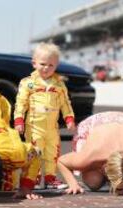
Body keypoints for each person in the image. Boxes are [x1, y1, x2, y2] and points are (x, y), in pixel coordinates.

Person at [13, 42, 76, 189]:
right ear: (34, 63)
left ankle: (50, 178)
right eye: (43, 64)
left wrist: (69, 118)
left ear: (56, 65)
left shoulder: (59, 84)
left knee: (52, 152)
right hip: (34, 126)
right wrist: (19, 120)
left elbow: (65, 103)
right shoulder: (28, 83)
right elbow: (21, 103)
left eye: (51, 65)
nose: (46, 68)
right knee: (35, 152)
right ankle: (31, 179)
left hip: (52, 127)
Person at [57, 111, 123, 196]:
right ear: (104, 168)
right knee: (93, 182)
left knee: (99, 180)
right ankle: (113, 179)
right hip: (96, 123)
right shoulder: (92, 156)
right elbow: (62, 161)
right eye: (121, 189)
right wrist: (73, 184)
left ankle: (118, 180)